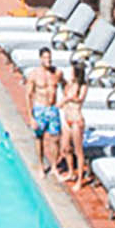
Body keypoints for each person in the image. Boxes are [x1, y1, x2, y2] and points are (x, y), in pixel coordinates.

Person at [25, 47, 62, 175]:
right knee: (39, 138)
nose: (48, 60)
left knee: (55, 139)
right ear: (40, 58)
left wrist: (63, 102)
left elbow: (66, 85)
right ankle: (41, 165)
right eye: (45, 57)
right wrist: (31, 117)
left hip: (52, 108)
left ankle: (54, 166)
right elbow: (28, 95)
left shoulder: (57, 73)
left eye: (49, 57)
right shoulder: (34, 75)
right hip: (40, 109)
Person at [58, 60, 89, 184]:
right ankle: (71, 173)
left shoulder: (83, 86)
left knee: (78, 151)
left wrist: (67, 99)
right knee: (65, 148)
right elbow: (63, 88)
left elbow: (79, 99)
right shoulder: (70, 83)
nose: (70, 72)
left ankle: (80, 180)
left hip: (76, 121)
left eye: (72, 70)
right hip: (67, 120)